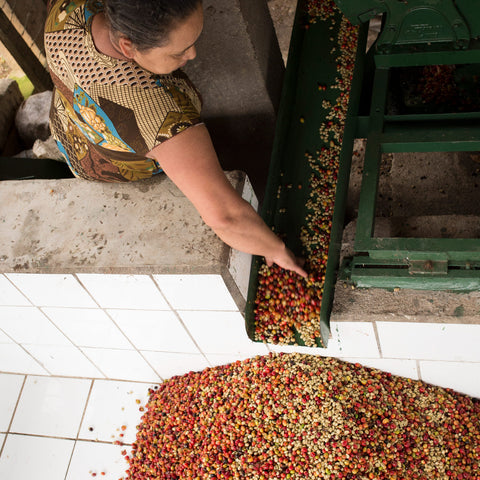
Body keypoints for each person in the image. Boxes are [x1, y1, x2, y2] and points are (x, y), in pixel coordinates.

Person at [44, 0, 306, 277]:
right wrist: (274, 249)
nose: (193, 54)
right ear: (127, 46)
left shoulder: (69, 8)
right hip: (110, 167)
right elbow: (226, 217)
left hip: (69, 126)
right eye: (179, 51)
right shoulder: (159, 118)